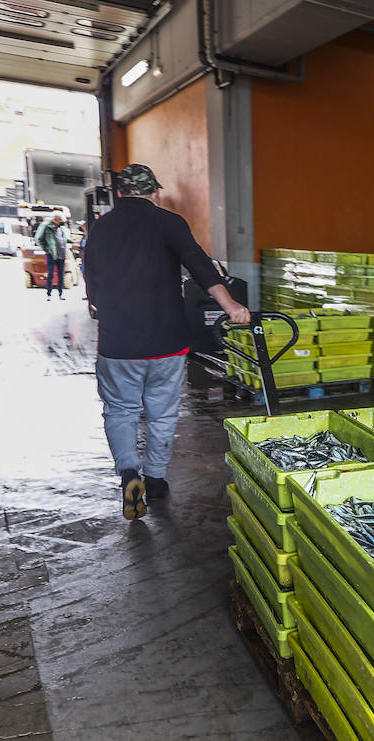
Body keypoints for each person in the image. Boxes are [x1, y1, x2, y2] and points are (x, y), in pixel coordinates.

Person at [84, 163, 250, 520]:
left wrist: (107, 306)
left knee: (120, 410)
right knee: (161, 414)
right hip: (167, 342)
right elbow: (201, 266)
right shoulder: (169, 223)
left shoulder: (100, 228)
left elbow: (92, 284)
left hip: (118, 344)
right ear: (154, 192)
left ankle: (129, 473)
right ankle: (155, 479)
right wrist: (232, 306)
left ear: (120, 193)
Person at [35, 211, 70, 301]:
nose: (61, 222)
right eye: (60, 220)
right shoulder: (47, 227)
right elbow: (39, 239)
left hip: (61, 254)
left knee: (61, 275)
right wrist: (47, 250)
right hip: (52, 254)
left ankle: (60, 293)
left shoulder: (61, 228)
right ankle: (49, 294)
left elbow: (64, 239)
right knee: (50, 274)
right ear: (55, 219)